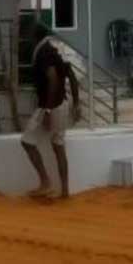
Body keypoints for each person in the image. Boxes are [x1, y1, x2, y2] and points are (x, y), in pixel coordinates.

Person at [22, 23, 79, 200]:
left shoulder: (43, 52)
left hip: (50, 105)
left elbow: (53, 78)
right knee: (58, 145)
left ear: (34, 37)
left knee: (27, 141)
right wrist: (76, 104)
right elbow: (72, 76)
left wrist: (47, 110)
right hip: (62, 103)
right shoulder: (56, 50)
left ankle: (45, 182)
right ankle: (65, 191)